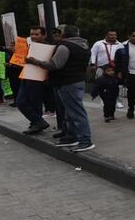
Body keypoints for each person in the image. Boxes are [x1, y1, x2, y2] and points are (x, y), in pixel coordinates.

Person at [27, 24, 94, 153]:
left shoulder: (65, 46)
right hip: (77, 81)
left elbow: (55, 65)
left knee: (76, 113)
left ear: (64, 34)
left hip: (67, 83)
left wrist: (36, 62)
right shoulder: (83, 45)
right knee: (70, 112)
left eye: (58, 32)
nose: (56, 35)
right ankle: (72, 137)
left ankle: (85, 141)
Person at [15, 26, 52, 135]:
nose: (33, 36)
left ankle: (36, 124)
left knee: (35, 103)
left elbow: (49, 64)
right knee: (20, 102)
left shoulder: (48, 47)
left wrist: (34, 62)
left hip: (38, 78)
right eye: (32, 34)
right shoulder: (29, 46)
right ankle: (38, 122)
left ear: (43, 35)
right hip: (26, 76)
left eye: (36, 34)